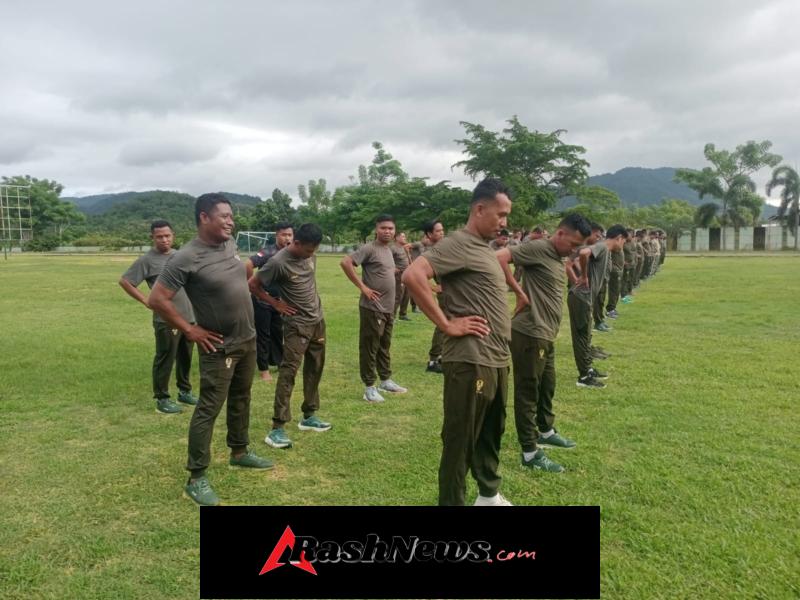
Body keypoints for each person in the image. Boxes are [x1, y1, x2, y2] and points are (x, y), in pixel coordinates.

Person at [148, 194, 274, 507]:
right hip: (219, 346)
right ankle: (196, 477)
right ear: (204, 217)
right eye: (224, 216)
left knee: (242, 397)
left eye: (232, 216)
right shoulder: (186, 257)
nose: (231, 221)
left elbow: (239, 277)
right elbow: (157, 298)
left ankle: (239, 451)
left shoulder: (229, 245)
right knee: (208, 407)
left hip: (247, 339)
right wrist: (189, 329)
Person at [403, 177, 514, 507]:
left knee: (491, 434)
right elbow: (412, 275)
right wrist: (447, 324)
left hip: (495, 357)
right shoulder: (458, 243)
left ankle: (488, 496)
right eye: (501, 214)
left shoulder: (484, 249)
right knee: (460, 440)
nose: (504, 222)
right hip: (470, 358)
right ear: (480, 209)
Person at [496, 213, 590, 474]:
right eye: (572, 244)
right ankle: (529, 452)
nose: (573, 250)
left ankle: (545, 431)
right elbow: (499, 257)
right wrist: (519, 292)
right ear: (559, 234)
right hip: (530, 332)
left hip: (546, 333)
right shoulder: (539, 247)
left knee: (547, 385)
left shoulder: (557, 256)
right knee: (528, 391)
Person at [249, 224, 331, 450]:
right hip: (297, 326)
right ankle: (277, 428)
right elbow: (253, 285)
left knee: (315, 368)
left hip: (317, 322)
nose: (311, 255)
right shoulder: (277, 262)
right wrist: (276, 303)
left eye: (314, 251)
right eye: (308, 251)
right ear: (296, 243)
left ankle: (309, 416)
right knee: (288, 373)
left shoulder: (309, 256)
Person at [119, 220, 198, 414]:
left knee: (185, 356)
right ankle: (162, 398)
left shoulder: (180, 256)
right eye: (159, 236)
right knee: (165, 357)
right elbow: (126, 281)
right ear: (152, 238)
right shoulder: (147, 260)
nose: (164, 240)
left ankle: (184, 391)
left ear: (173, 236)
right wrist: (147, 301)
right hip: (166, 319)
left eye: (167, 236)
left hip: (189, 317)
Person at [340, 215, 408, 403]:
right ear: (376, 229)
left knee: (384, 346)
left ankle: (385, 380)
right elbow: (346, 263)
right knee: (370, 346)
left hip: (387, 308)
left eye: (391, 228)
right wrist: (363, 288)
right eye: (383, 228)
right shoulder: (369, 248)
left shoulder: (389, 250)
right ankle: (369, 387)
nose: (387, 231)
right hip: (372, 308)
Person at [567, 224, 628, 389]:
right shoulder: (602, 246)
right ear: (619, 238)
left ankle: (588, 369)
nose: (623, 245)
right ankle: (584, 376)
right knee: (581, 337)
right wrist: (584, 276)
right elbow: (583, 253)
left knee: (585, 336)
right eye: (624, 242)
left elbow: (571, 260)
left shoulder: (604, 249)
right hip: (581, 297)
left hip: (584, 297)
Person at [244, 222, 294, 382]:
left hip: (281, 302)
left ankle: (279, 363)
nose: (287, 237)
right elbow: (248, 264)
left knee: (278, 333)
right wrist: (252, 285)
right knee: (263, 335)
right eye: (283, 234)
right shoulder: (268, 252)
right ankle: (263, 369)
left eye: (290, 235)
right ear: (276, 235)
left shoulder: (291, 253)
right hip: (263, 301)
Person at [392, 231, 412, 321]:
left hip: (407, 274)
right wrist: (393, 268)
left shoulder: (405, 248)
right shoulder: (393, 248)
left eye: (405, 236)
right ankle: (392, 316)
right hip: (399, 275)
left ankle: (403, 314)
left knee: (407, 295)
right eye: (403, 236)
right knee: (398, 295)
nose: (405, 238)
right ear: (396, 238)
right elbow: (387, 259)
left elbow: (409, 261)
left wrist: (408, 252)